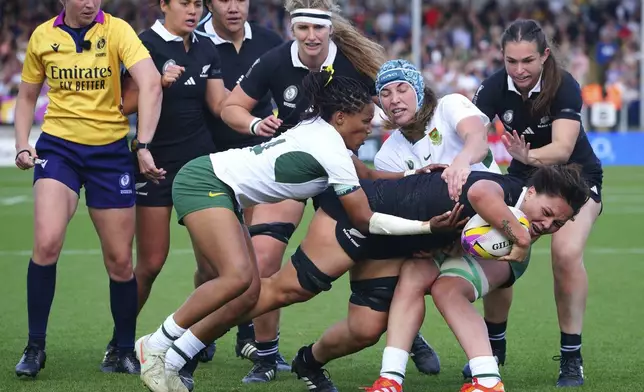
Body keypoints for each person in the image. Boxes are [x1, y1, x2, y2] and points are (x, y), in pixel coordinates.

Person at [135, 71, 448, 392]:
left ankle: (173, 361)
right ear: (340, 117)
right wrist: (426, 227)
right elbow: (364, 219)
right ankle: (156, 344)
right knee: (237, 278)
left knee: (248, 290)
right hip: (204, 182)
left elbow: (367, 173)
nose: (371, 128)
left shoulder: (321, 129)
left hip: (218, 186)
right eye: (366, 120)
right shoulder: (331, 150)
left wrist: (414, 174)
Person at [218, 0, 437, 382]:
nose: (311, 36)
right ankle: (267, 355)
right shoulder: (274, 60)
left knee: (375, 249)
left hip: (343, 171)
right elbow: (231, 107)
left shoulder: (355, 64)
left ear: (330, 29)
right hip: (291, 171)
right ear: (292, 29)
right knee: (265, 257)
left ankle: (404, 328)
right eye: (303, 29)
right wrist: (255, 125)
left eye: (318, 28)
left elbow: (394, 102)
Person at [287, 57, 502, 389]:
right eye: (385, 93)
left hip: (488, 231)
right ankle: (389, 375)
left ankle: (490, 366)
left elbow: (477, 137)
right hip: (438, 239)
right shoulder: (390, 153)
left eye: (402, 89)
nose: (394, 99)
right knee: (388, 302)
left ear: (417, 89)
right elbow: (401, 210)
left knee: (453, 286)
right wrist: (428, 238)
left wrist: (461, 160)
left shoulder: (449, 107)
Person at [13, 0, 163, 378]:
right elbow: (28, 95)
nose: (90, 2)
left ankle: (124, 350)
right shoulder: (42, 36)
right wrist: (21, 143)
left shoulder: (117, 30)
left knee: (120, 261)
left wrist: (142, 144)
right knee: (46, 243)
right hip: (59, 148)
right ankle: (35, 348)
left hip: (110, 154)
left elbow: (150, 81)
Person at [365, 165, 591, 392]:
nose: (546, 226)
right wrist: (445, 243)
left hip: (504, 258)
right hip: (451, 247)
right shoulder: (509, 190)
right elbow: (478, 192)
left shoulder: (526, 228)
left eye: (557, 224)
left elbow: (514, 240)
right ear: (530, 192)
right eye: (547, 213)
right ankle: (390, 379)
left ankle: (488, 381)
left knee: (447, 290)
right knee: (412, 274)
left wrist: (520, 239)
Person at [468, 19, 603, 387]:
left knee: (565, 252)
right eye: (511, 61)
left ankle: (571, 357)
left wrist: (526, 157)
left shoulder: (564, 85)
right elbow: (471, 136)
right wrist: (458, 163)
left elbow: (561, 149)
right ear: (502, 57)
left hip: (576, 179)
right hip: (526, 178)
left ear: (544, 55)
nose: (519, 69)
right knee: (495, 245)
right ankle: (493, 349)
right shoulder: (494, 87)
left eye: (527, 60)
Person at [114, 0, 230, 372]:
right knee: (150, 263)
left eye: (198, 4)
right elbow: (123, 104)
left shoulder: (206, 47)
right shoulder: (143, 44)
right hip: (155, 166)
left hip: (199, 166)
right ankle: (119, 346)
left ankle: (192, 340)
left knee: (213, 267)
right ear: (163, 5)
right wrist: (157, 83)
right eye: (184, 3)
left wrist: (255, 115)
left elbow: (219, 104)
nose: (192, 10)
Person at [194, 0, 285, 368]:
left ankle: (248, 337)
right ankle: (201, 328)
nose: (233, 7)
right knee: (213, 264)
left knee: (253, 256)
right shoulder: (193, 41)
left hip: (257, 162)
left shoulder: (269, 41)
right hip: (208, 161)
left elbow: (286, 94)